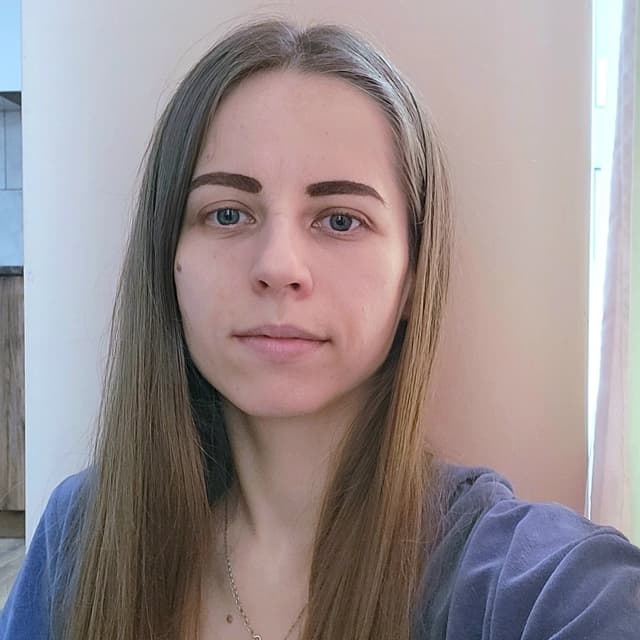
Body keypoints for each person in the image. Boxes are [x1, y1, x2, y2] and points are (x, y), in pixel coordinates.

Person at [1, 15, 639, 640]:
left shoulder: (526, 584)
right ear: (169, 260)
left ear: (413, 277)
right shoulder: (80, 538)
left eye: (340, 220)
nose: (278, 267)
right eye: (228, 214)